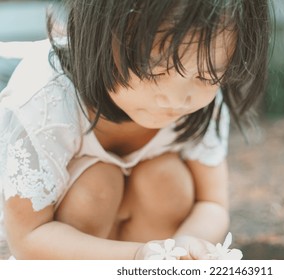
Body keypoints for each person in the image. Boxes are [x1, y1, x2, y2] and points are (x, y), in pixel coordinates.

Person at [0, 0, 269, 259]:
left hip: (150, 236)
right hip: (68, 247)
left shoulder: (202, 105)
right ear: (99, 35)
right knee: (96, 186)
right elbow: (28, 237)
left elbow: (212, 204)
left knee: (165, 178)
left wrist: (182, 247)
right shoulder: (45, 100)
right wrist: (135, 257)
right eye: (154, 71)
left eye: (206, 77)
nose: (177, 99)